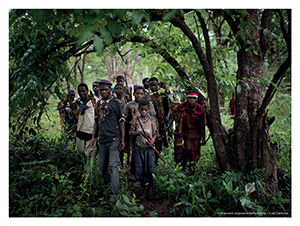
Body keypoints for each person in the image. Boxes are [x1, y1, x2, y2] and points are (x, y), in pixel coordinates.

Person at [91, 79, 125, 203]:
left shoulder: (116, 103)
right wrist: (94, 137)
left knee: (113, 166)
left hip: (114, 138)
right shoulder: (98, 103)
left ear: (110, 90)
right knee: (102, 166)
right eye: (101, 90)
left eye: (105, 90)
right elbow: (96, 121)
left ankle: (113, 194)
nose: (103, 92)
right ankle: (106, 187)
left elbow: (121, 122)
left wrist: (123, 139)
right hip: (102, 139)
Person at [124, 86, 157, 176]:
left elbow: (154, 119)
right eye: (137, 93)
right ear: (134, 94)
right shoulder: (129, 105)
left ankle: (147, 177)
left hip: (148, 134)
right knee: (135, 154)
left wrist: (153, 138)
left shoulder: (149, 105)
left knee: (147, 159)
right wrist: (131, 115)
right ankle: (135, 174)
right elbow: (126, 120)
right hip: (135, 132)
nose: (139, 95)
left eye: (141, 93)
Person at [129, 99, 158, 199]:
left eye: (145, 110)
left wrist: (152, 140)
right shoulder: (135, 120)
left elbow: (156, 134)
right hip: (139, 149)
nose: (143, 112)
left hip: (149, 150)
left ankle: (150, 189)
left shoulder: (152, 120)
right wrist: (139, 133)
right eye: (141, 110)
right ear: (138, 109)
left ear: (149, 110)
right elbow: (130, 132)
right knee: (140, 170)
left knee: (150, 170)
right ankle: (143, 190)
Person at [171, 90, 207, 170]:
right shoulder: (181, 107)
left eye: (193, 98)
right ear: (187, 99)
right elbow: (173, 114)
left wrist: (203, 138)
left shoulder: (200, 109)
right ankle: (183, 163)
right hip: (185, 132)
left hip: (196, 132)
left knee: (195, 151)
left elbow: (202, 125)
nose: (191, 100)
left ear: (196, 99)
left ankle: (192, 168)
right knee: (187, 148)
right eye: (189, 98)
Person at [74, 83, 96, 175]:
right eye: (80, 91)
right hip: (80, 133)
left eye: (83, 91)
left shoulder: (94, 102)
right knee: (80, 157)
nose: (82, 93)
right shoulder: (78, 103)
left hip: (90, 134)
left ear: (87, 91)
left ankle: (88, 180)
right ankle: (81, 175)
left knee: (89, 159)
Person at [147, 77, 171, 160]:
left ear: (158, 85)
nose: (153, 87)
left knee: (160, 136)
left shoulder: (163, 95)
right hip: (150, 121)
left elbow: (168, 107)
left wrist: (166, 117)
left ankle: (158, 154)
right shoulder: (147, 96)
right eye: (151, 85)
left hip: (160, 120)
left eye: (155, 85)